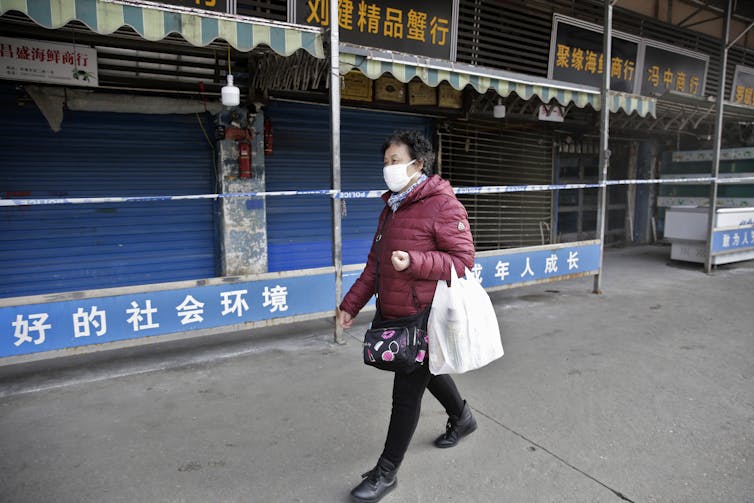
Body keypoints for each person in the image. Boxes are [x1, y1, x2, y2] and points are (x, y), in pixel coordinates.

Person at [337, 130, 478, 503]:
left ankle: (387, 472)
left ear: (418, 163)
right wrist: (350, 304)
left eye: (395, 160)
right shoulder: (392, 207)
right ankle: (462, 418)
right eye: (386, 162)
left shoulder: (442, 204)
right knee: (426, 370)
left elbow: (463, 261)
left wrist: (415, 262)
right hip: (395, 313)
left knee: (406, 392)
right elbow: (375, 266)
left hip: (424, 315)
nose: (389, 168)